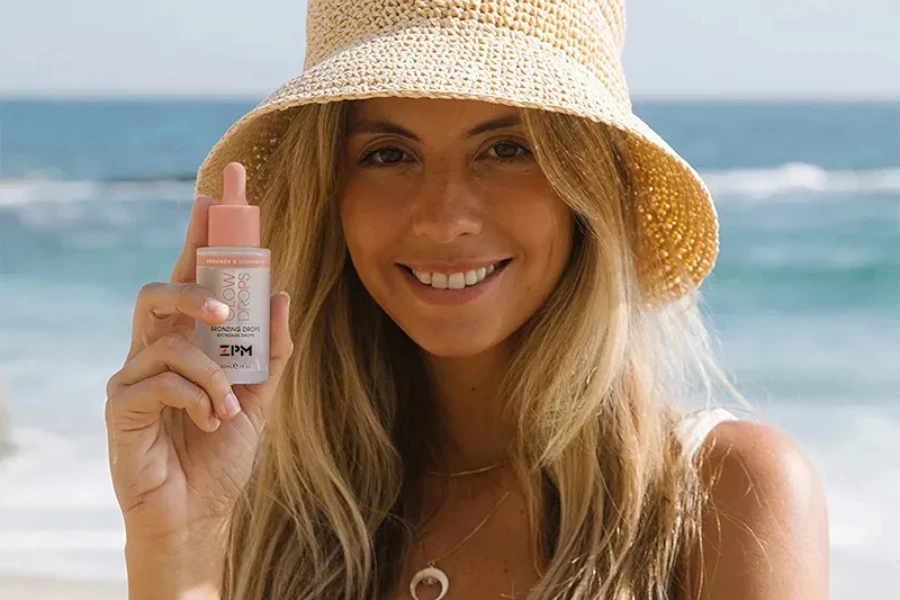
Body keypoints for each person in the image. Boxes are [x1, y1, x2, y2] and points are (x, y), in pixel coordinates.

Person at [104, 1, 829, 598]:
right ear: (333, 196)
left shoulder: (725, 499)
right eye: (389, 154)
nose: (445, 216)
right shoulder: (266, 512)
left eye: (507, 149)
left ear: (588, 191)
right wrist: (180, 552)